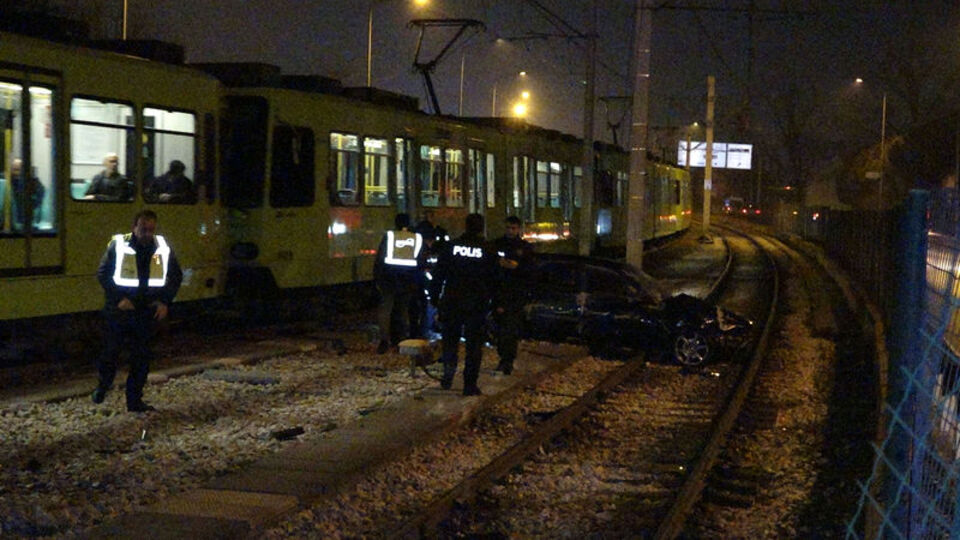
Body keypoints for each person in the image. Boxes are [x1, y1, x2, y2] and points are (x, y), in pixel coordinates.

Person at [92, 209, 183, 412]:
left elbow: (176, 276)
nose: (147, 234)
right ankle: (103, 386)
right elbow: (103, 274)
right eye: (143, 229)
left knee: (141, 359)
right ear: (134, 227)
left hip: (145, 311)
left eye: (151, 229)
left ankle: (134, 401)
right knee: (110, 353)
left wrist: (164, 302)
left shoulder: (162, 247)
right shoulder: (119, 244)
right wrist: (119, 299)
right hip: (120, 310)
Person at [430, 213, 499, 396]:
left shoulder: (451, 247)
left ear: (465, 226)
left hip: (452, 300)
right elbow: (495, 279)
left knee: (450, 341)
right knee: (474, 346)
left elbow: (439, 274)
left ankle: (448, 375)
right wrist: (494, 302)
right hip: (477, 304)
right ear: (481, 228)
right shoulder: (488, 249)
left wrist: (434, 298)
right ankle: (469, 384)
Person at [373, 213, 424, 354]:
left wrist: (377, 277)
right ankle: (399, 341)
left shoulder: (389, 236)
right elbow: (420, 260)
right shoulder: (417, 238)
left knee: (386, 309)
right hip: (407, 278)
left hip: (388, 277)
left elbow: (380, 258)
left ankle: (384, 341)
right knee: (402, 310)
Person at [493, 216, 534, 375]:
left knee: (510, 329)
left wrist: (514, 267)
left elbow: (528, 270)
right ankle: (504, 357)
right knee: (500, 328)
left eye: (514, 228)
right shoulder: (497, 244)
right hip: (499, 292)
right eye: (508, 227)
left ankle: (507, 360)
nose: (511, 231)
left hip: (515, 294)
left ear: (519, 229)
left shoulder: (524, 248)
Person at [10, 158, 44, 228]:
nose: (16, 173)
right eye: (14, 170)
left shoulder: (33, 182)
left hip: (28, 219)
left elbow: (40, 194)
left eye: (18, 170)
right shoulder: (8, 182)